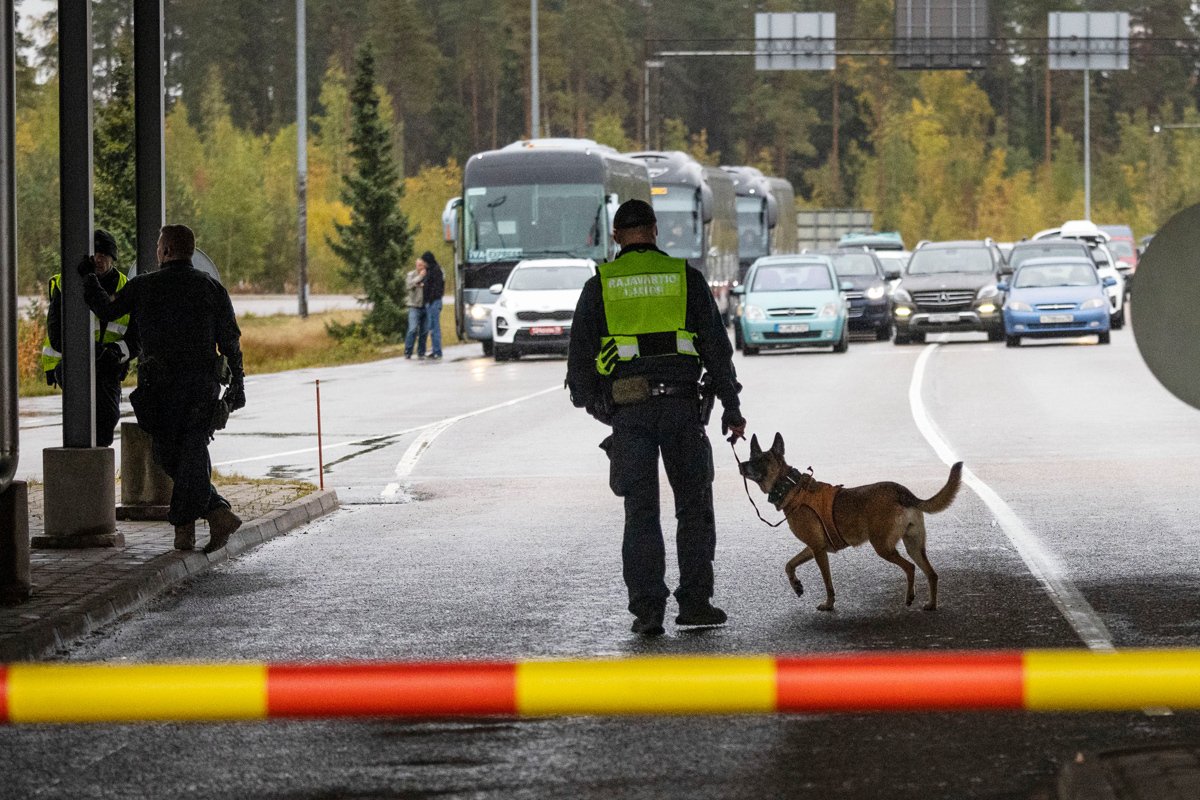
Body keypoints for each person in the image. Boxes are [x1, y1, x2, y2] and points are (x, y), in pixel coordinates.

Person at [567, 199, 746, 637]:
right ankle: (696, 603)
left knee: (641, 513)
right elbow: (717, 351)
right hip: (685, 411)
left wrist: (602, 407)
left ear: (615, 237)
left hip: (630, 414)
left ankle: (648, 612)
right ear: (655, 231)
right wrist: (731, 408)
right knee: (694, 508)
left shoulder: (601, 286)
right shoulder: (685, 279)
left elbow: (579, 369)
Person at [81, 224, 246, 554]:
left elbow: (107, 309)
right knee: (189, 455)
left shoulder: (145, 286)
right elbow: (231, 342)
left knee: (173, 455)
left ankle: (185, 529)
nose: (157, 251)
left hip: (162, 389)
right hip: (202, 387)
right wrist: (236, 387)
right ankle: (216, 513)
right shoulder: (212, 288)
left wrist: (88, 278)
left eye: (159, 246)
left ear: (167, 251)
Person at [40, 229, 140, 447]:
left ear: (113, 258)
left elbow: (136, 337)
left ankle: (96, 464)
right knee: (81, 415)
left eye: (104, 254)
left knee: (107, 417)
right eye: (95, 254)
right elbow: (56, 333)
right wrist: (90, 351)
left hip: (108, 366)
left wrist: (114, 353)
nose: (99, 259)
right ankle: (84, 464)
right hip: (73, 363)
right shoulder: (65, 284)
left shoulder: (126, 287)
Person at [420, 251, 445, 360]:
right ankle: (435, 349)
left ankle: (437, 351)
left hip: (434, 302)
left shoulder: (436, 271)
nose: (423, 264)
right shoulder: (430, 270)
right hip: (430, 302)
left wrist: (429, 299)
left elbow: (436, 288)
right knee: (432, 327)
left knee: (435, 327)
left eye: (424, 261)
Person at [404, 257, 427, 359]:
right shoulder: (411, 275)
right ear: (416, 265)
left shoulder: (428, 275)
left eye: (422, 265)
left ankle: (421, 352)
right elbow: (409, 285)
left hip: (425, 306)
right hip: (414, 306)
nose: (420, 267)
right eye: (418, 265)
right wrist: (419, 278)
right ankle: (408, 351)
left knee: (424, 331)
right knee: (412, 329)